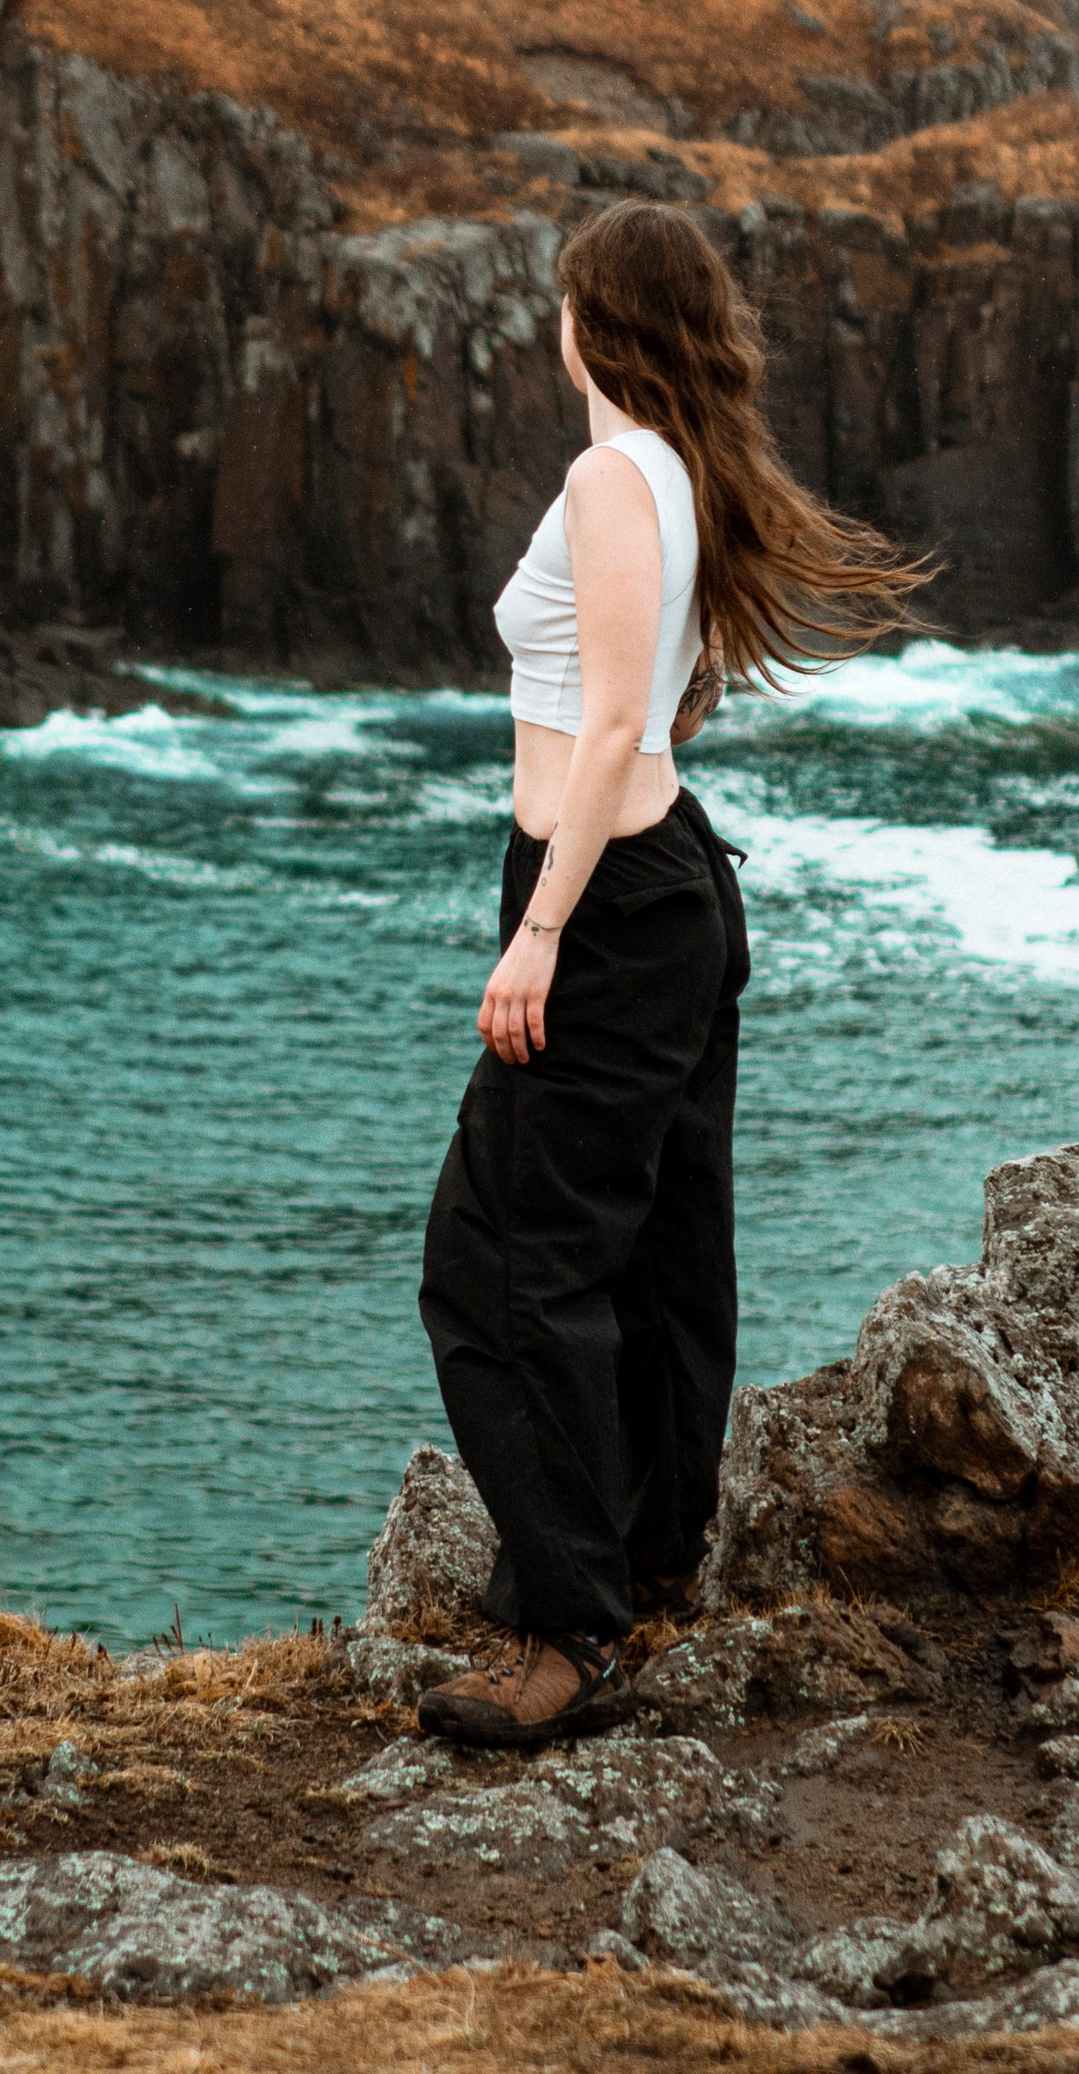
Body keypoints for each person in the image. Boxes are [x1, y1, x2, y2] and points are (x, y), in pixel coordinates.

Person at [415, 198, 930, 1746]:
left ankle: (569, 1629)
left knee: (497, 1262)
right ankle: (639, 1562)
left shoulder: (606, 474)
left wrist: (544, 926)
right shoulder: (682, 473)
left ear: (593, 322)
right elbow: (671, 690)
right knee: (649, 1251)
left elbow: (627, 723)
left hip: (613, 900)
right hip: (668, 883)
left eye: (563, 302)